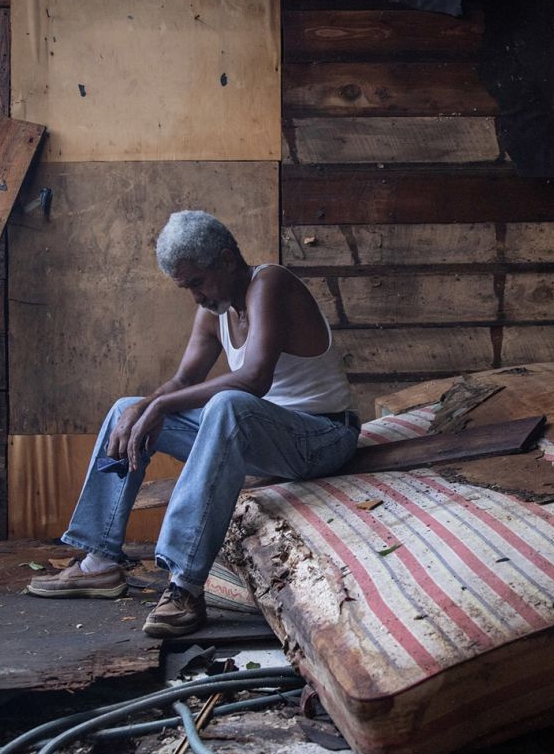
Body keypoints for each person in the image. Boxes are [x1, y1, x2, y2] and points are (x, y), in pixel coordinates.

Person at [26, 210, 359, 638]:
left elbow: (255, 378)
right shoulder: (214, 309)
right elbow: (184, 380)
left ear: (226, 259)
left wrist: (161, 405)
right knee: (126, 409)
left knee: (227, 404)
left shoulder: (269, 284)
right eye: (187, 288)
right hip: (266, 438)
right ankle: (99, 561)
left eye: (198, 283)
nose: (196, 297)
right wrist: (146, 405)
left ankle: (184, 586)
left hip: (324, 437)